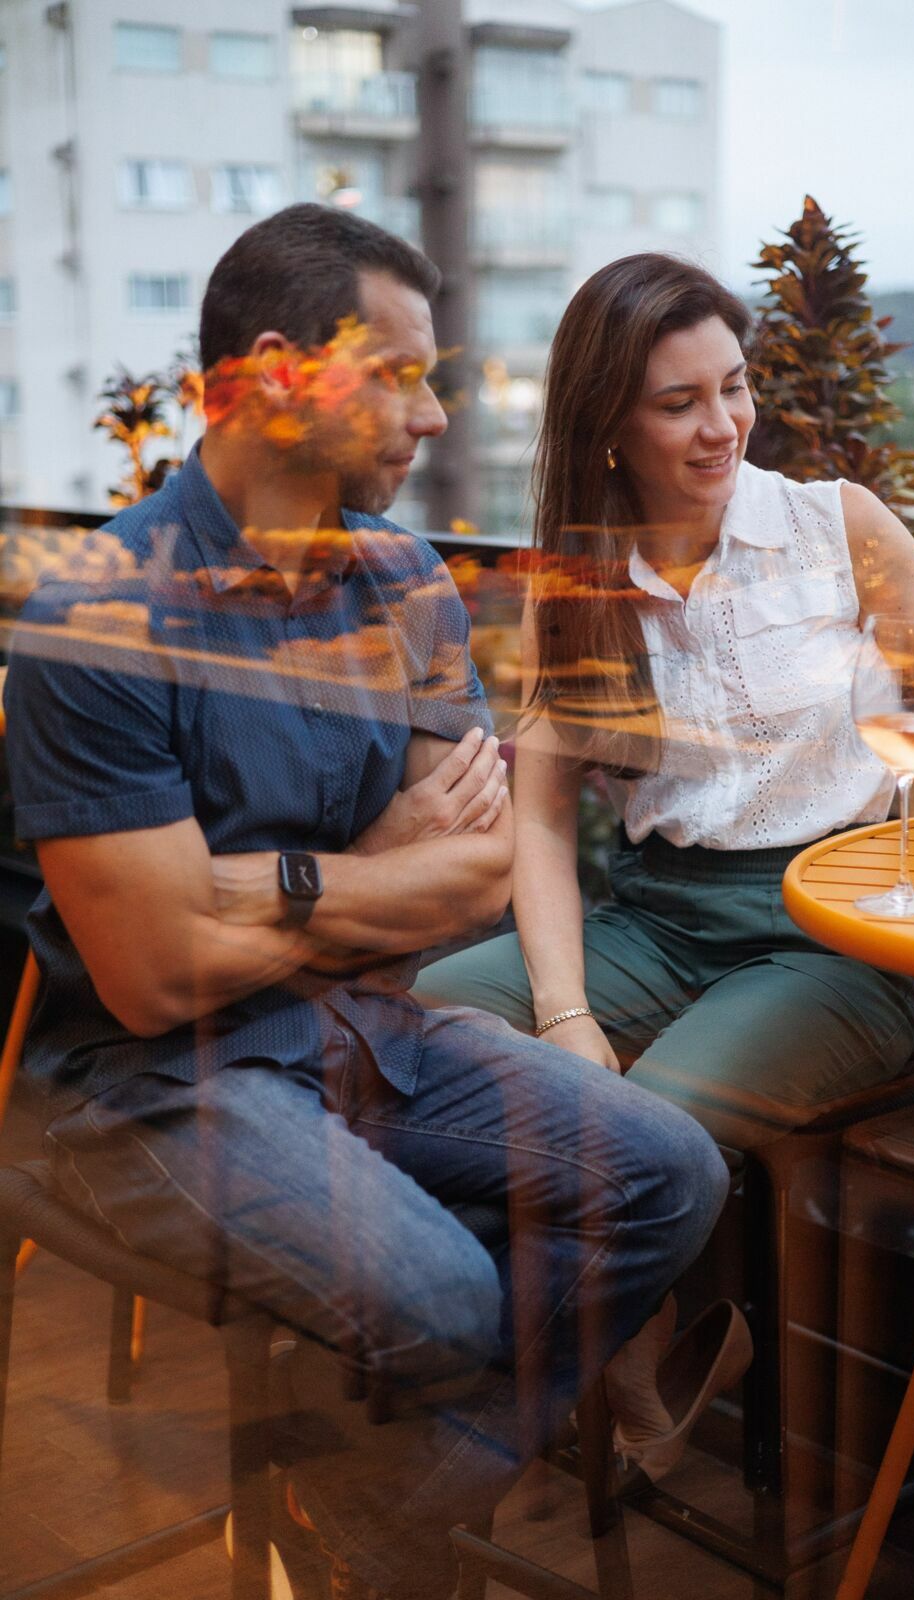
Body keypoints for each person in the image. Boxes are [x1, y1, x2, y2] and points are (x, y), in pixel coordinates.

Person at [2, 213, 730, 1600]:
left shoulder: (402, 584)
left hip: (354, 1022)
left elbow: (472, 877)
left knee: (668, 1173)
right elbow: (154, 980)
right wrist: (374, 870)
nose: (435, 407)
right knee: (448, 1295)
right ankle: (377, 1540)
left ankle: (365, 1525)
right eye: (398, 372)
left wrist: (266, 884)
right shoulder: (95, 613)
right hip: (147, 1082)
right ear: (280, 373)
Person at [413, 252, 914, 1476]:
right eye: (677, 403)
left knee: (640, 1127)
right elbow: (542, 823)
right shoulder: (580, 577)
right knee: (435, 1017)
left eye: (734, 386)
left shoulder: (834, 522)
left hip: (833, 927)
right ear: (605, 421)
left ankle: (487, 1414)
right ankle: (652, 1330)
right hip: (656, 916)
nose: (721, 425)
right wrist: (562, 1013)